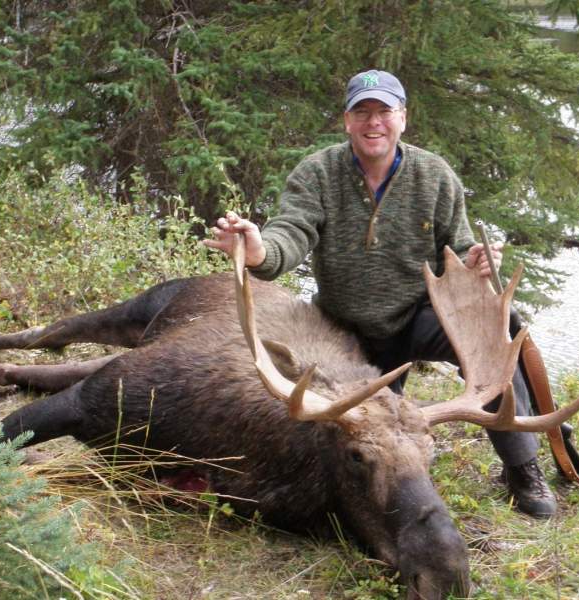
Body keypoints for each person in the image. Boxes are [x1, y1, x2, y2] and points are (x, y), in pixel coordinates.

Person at [203, 69, 557, 518]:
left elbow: (461, 243)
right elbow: (289, 235)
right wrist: (259, 252)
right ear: (346, 121)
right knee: (338, 426)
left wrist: (477, 261)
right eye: (363, 112)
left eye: (384, 112)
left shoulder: (434, 175)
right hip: (343, 331)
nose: (374, 123)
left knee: (489, 343)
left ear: (403, 119)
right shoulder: (317, 174)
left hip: (416, 319)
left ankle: (522, 468)